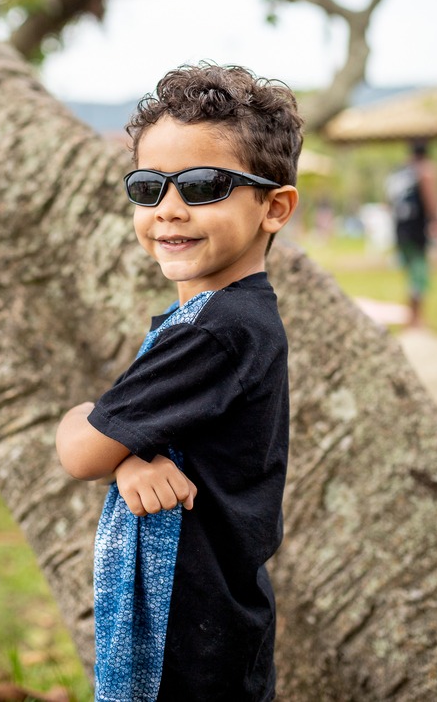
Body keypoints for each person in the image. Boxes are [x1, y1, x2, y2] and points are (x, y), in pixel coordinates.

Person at [56, 63, 303, 702]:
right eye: (148, 186)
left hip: (192, 632)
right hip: (208, 617)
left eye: (203, 185)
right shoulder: (219, 316)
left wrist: (99, 431)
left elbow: (82, 449)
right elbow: (126, 440)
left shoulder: (216, 331)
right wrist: (133, 457)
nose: (168, 209)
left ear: (273, 206)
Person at [386, 139, 437, 328]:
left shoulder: (402, 173)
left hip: (402, 230)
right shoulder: (425, 170)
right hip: (417, 230)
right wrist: (436, 221)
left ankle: (412, 317)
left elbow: (389, 202)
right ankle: (417, 319)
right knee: (419, 274)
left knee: (412, 274)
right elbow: (430, 199)